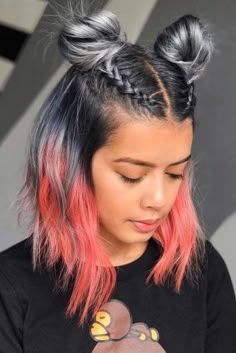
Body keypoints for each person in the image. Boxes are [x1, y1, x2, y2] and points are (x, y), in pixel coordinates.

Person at [0, 3, 236, 353]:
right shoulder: (11, 287)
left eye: (175, 174)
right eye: (131, 176)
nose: (158, 198)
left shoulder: (201, 272)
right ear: (69, 162)